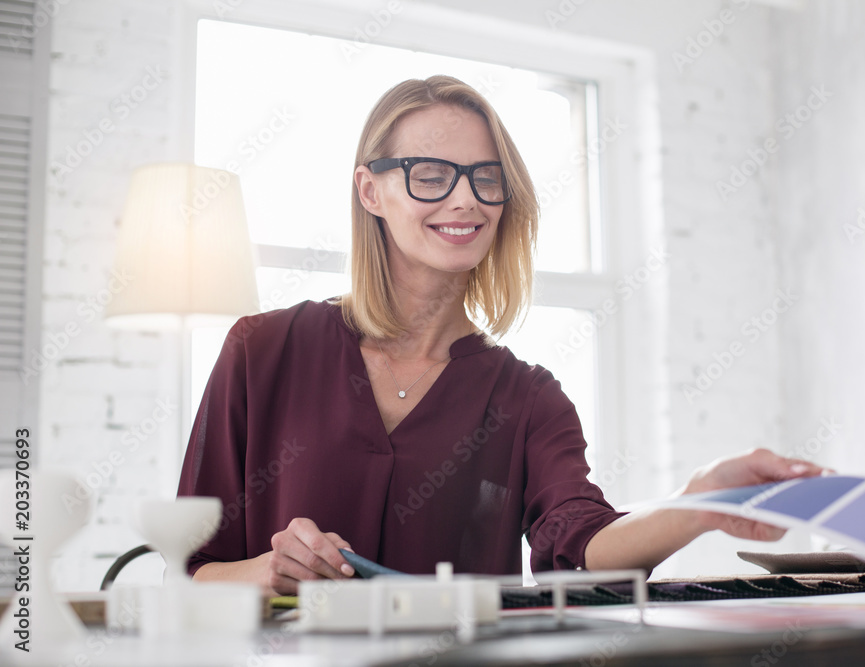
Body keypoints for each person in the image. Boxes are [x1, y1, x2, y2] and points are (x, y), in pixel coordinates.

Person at [177, 75, 824, 597]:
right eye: (431, 174)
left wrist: (701, 502)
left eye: (485, 178)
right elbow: (193, 570)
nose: (466, 200)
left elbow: (582, 548)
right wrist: (268, 570)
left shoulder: (528, 399)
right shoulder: (261, 352)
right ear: (370, 190)